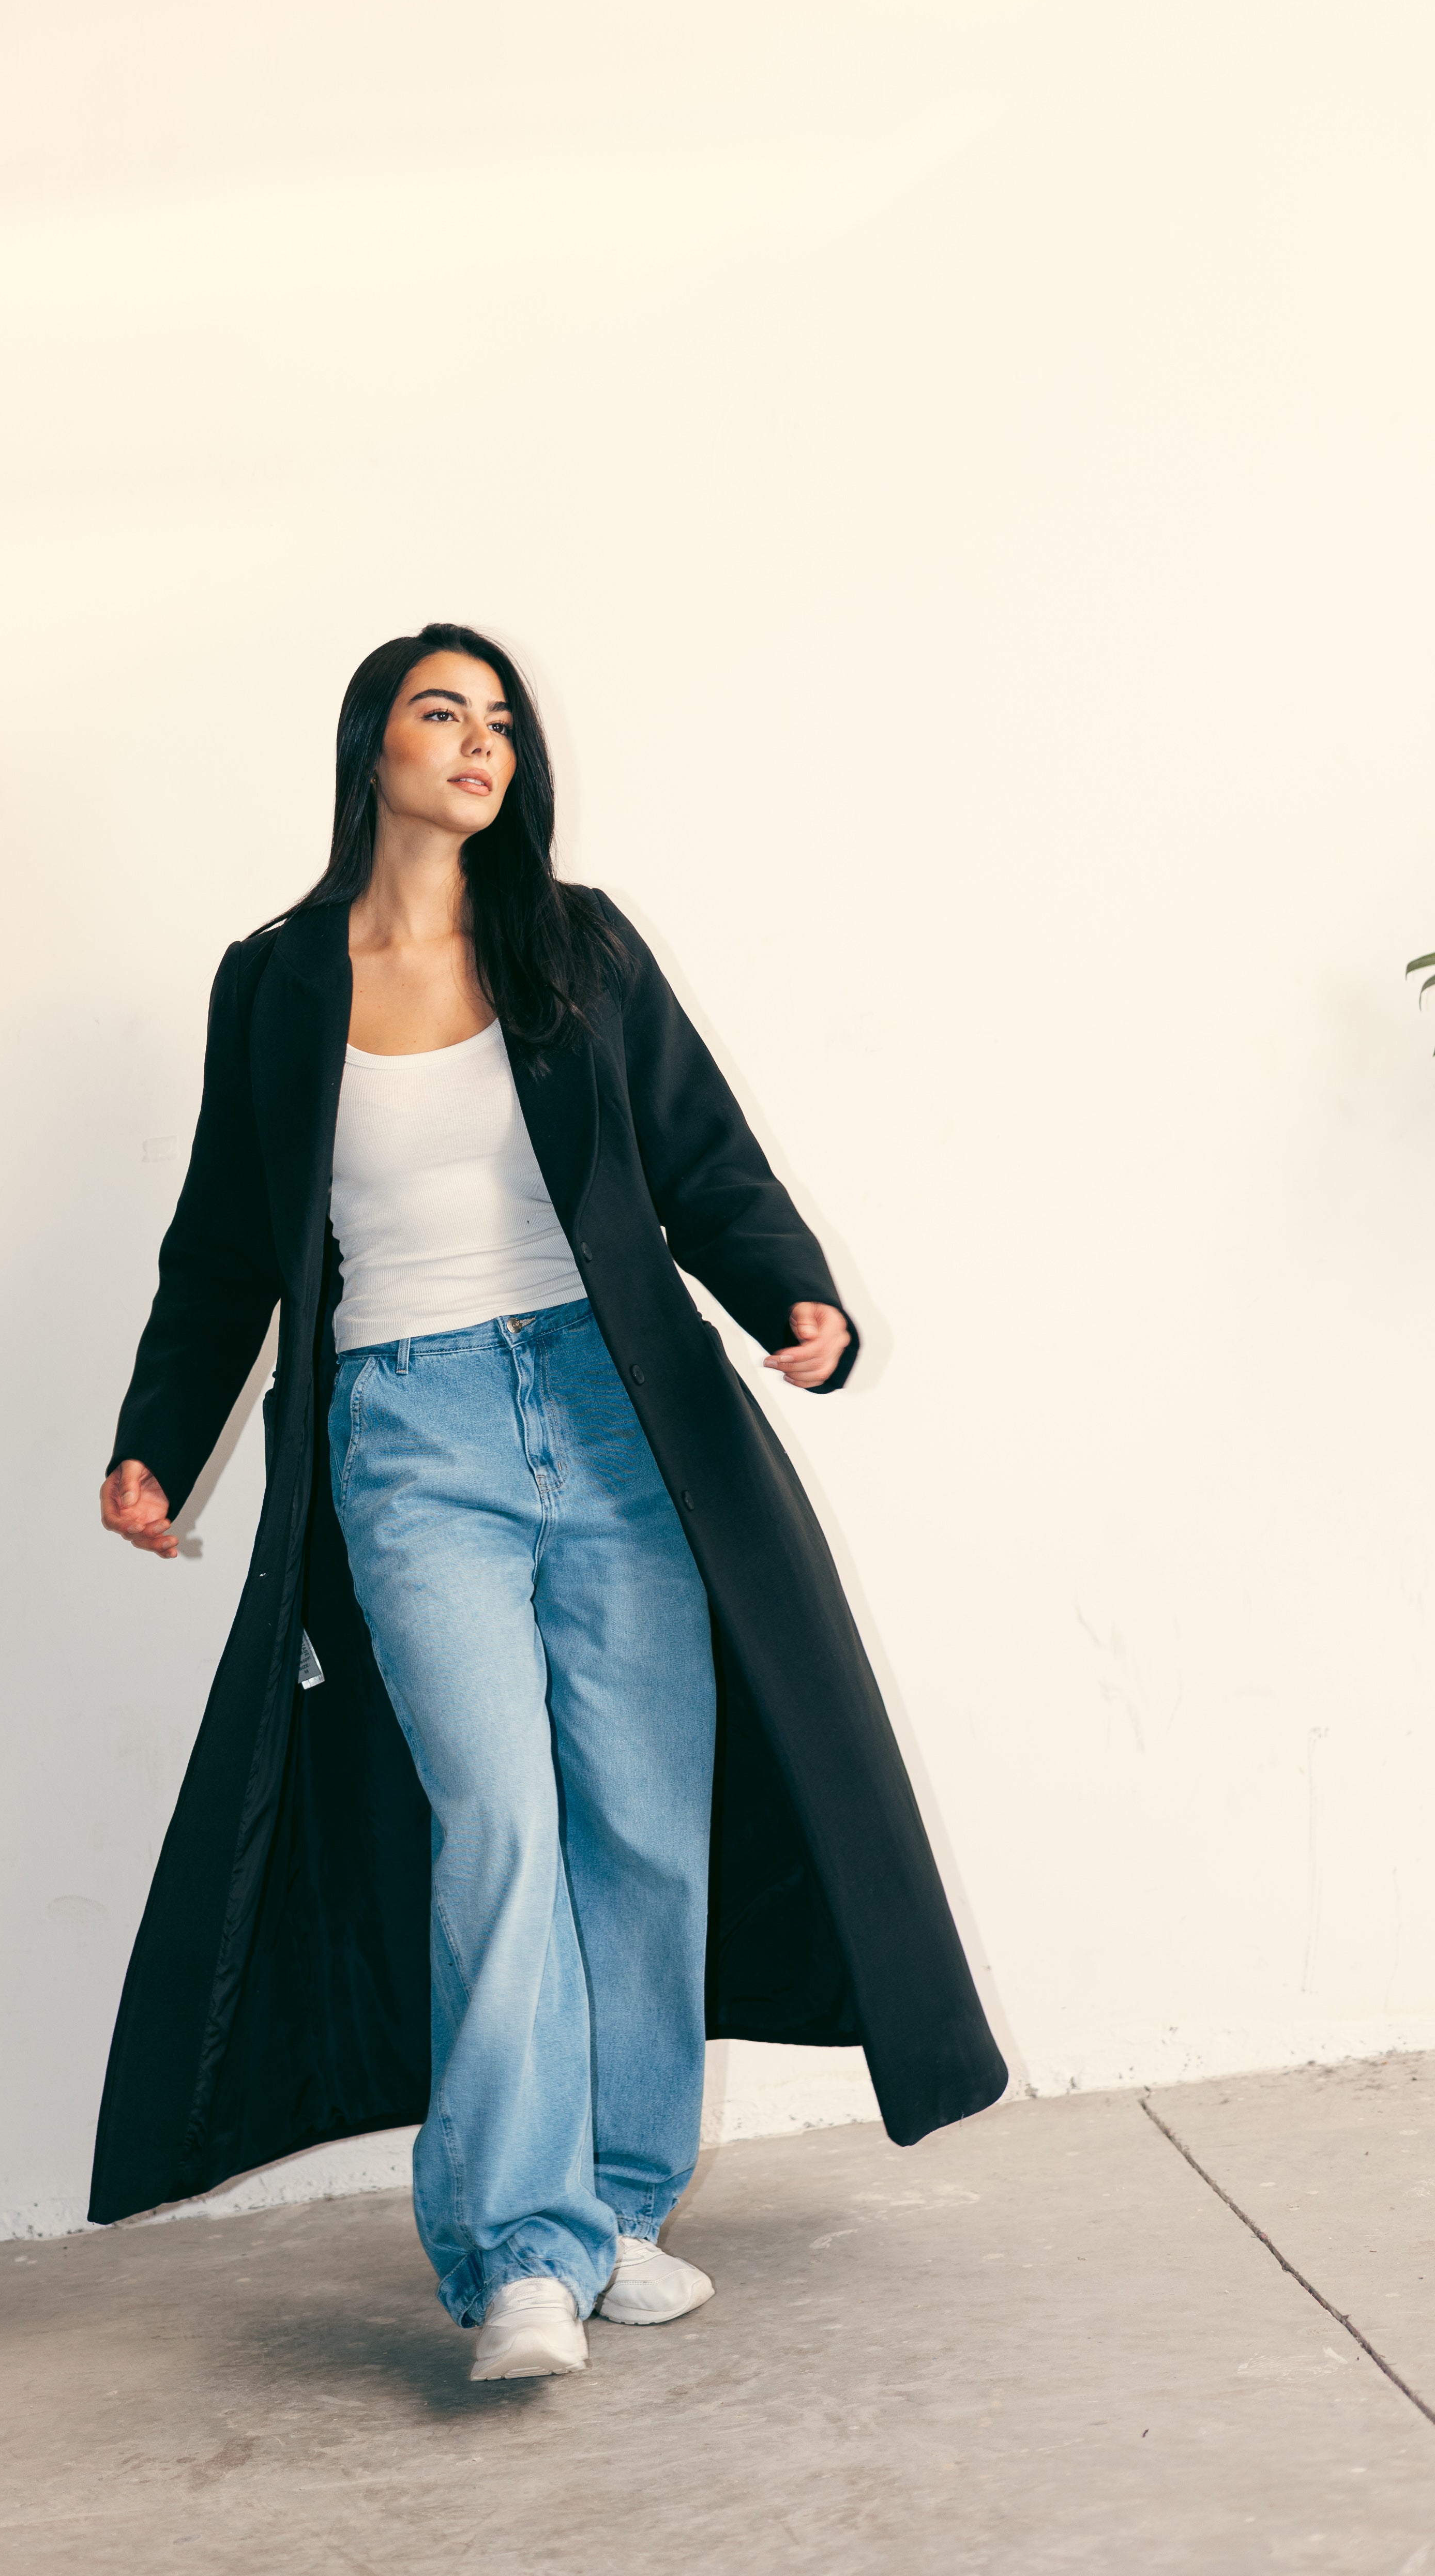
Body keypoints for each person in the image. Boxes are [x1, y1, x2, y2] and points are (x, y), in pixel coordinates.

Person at [93, 623, 1006, 2381]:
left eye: (500, 720)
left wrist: (791, 1292)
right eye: (442, 711)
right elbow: (222, 1242)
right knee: (498, 1823)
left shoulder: (575, 944)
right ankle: (519, 2250)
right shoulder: (275, 982)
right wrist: (158, 1435)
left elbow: (698, 1150)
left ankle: (619, 2211)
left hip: (613, 1412)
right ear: (371, 746)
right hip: (408, 1433)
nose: (479, 741)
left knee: (645, 1827)